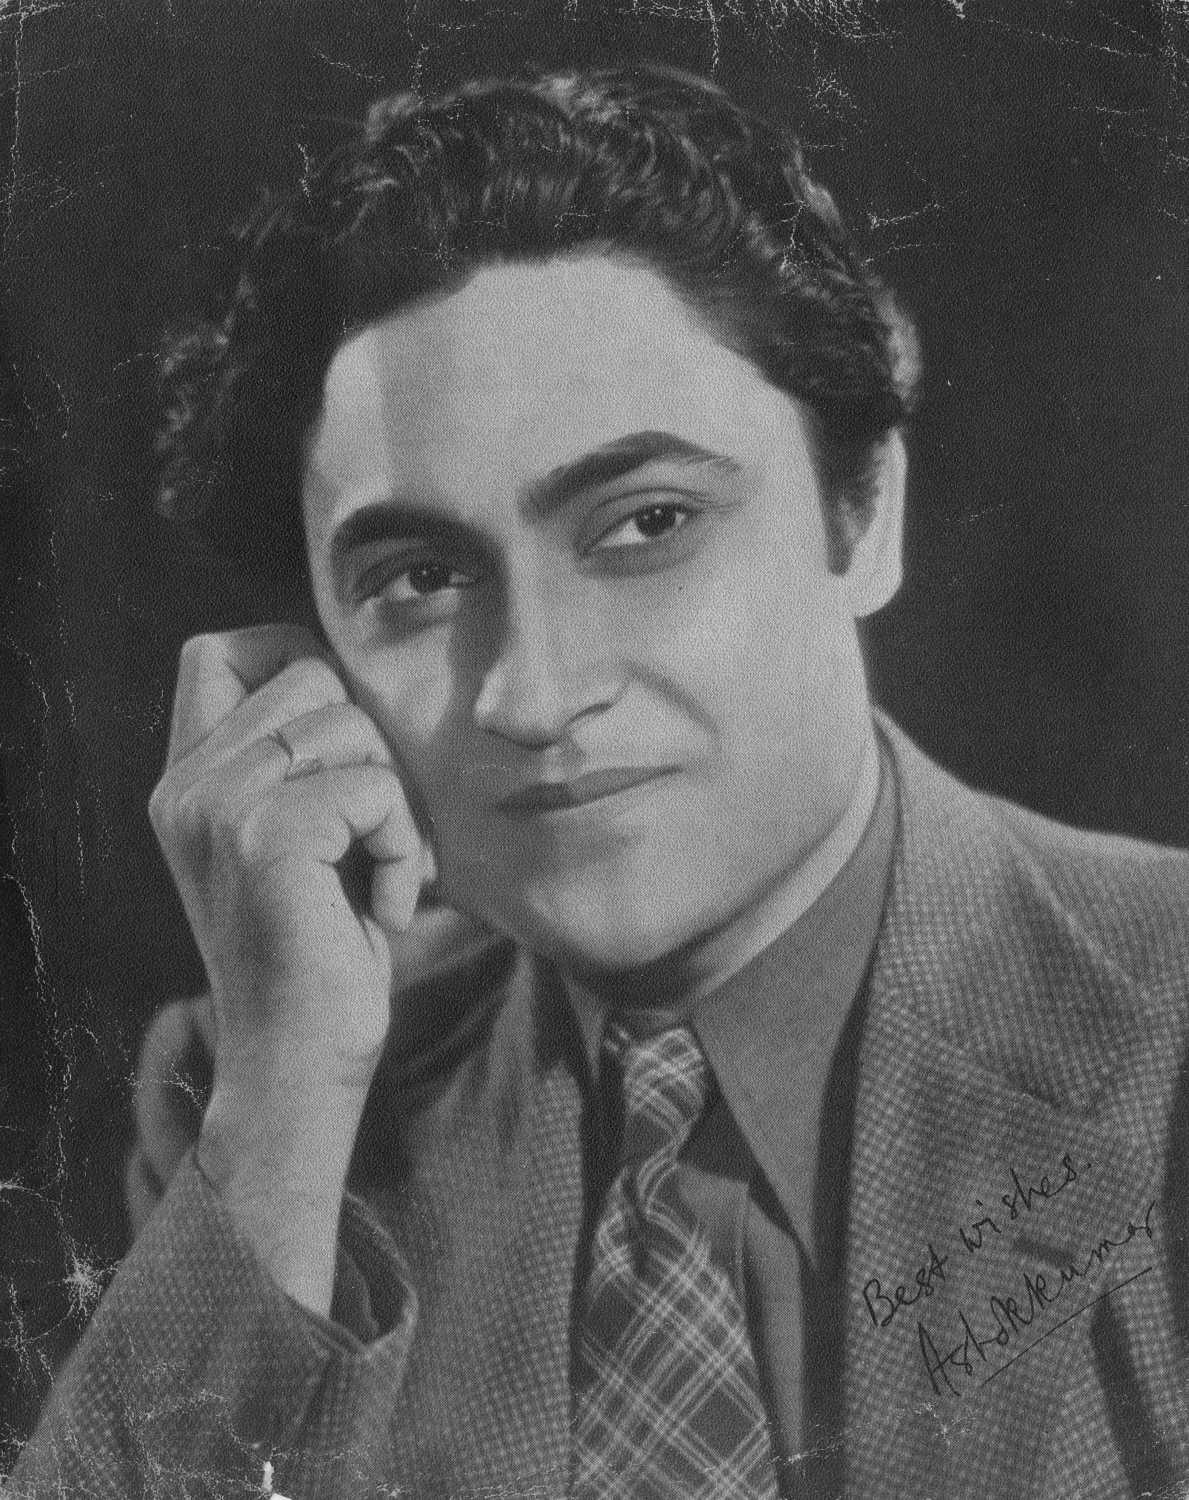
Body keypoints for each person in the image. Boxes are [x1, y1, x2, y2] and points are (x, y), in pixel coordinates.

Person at [10, 62, 1189, 1500]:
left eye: (647, 523)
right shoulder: (259, 1089)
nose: (532, 693)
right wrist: (286, 1098)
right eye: (420, 579)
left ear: (864, 511)